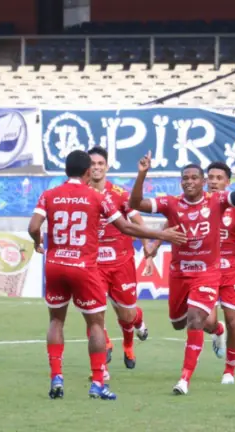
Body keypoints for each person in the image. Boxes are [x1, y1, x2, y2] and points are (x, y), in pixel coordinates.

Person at [28, 150, 187, 401]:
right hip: (85, 267)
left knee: (56, 321)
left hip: (56, 265)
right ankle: (98, 382)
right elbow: (125, 226)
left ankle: (57, 376)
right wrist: (163, 235)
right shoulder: (95, 196)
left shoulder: (48, 194)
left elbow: (34, 227)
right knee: (96, 323)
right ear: (87, 171)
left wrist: (38, 243)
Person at [128, 142, 235, 395]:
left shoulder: (219, 201)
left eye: (194, 178)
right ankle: (216, 330)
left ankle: (185, 379)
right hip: (179, 273)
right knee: (178, 323)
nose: (189, 182)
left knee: (197, 320)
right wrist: (142, 173)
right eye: (185, 178)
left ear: (202, 183)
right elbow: (136, 203)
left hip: (208, 273)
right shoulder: (171, 204)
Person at [88, 147, 150, 373]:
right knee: (93, 312)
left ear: (107, 166)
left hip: (121, 263)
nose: (96, 167)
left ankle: (129, 341)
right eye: (92, 163)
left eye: (100, 163)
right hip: (92, 264)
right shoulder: (82, 193)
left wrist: (147, 247)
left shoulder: (120, 194)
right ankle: (104, 347)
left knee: (127, 315)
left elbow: (136, 221)